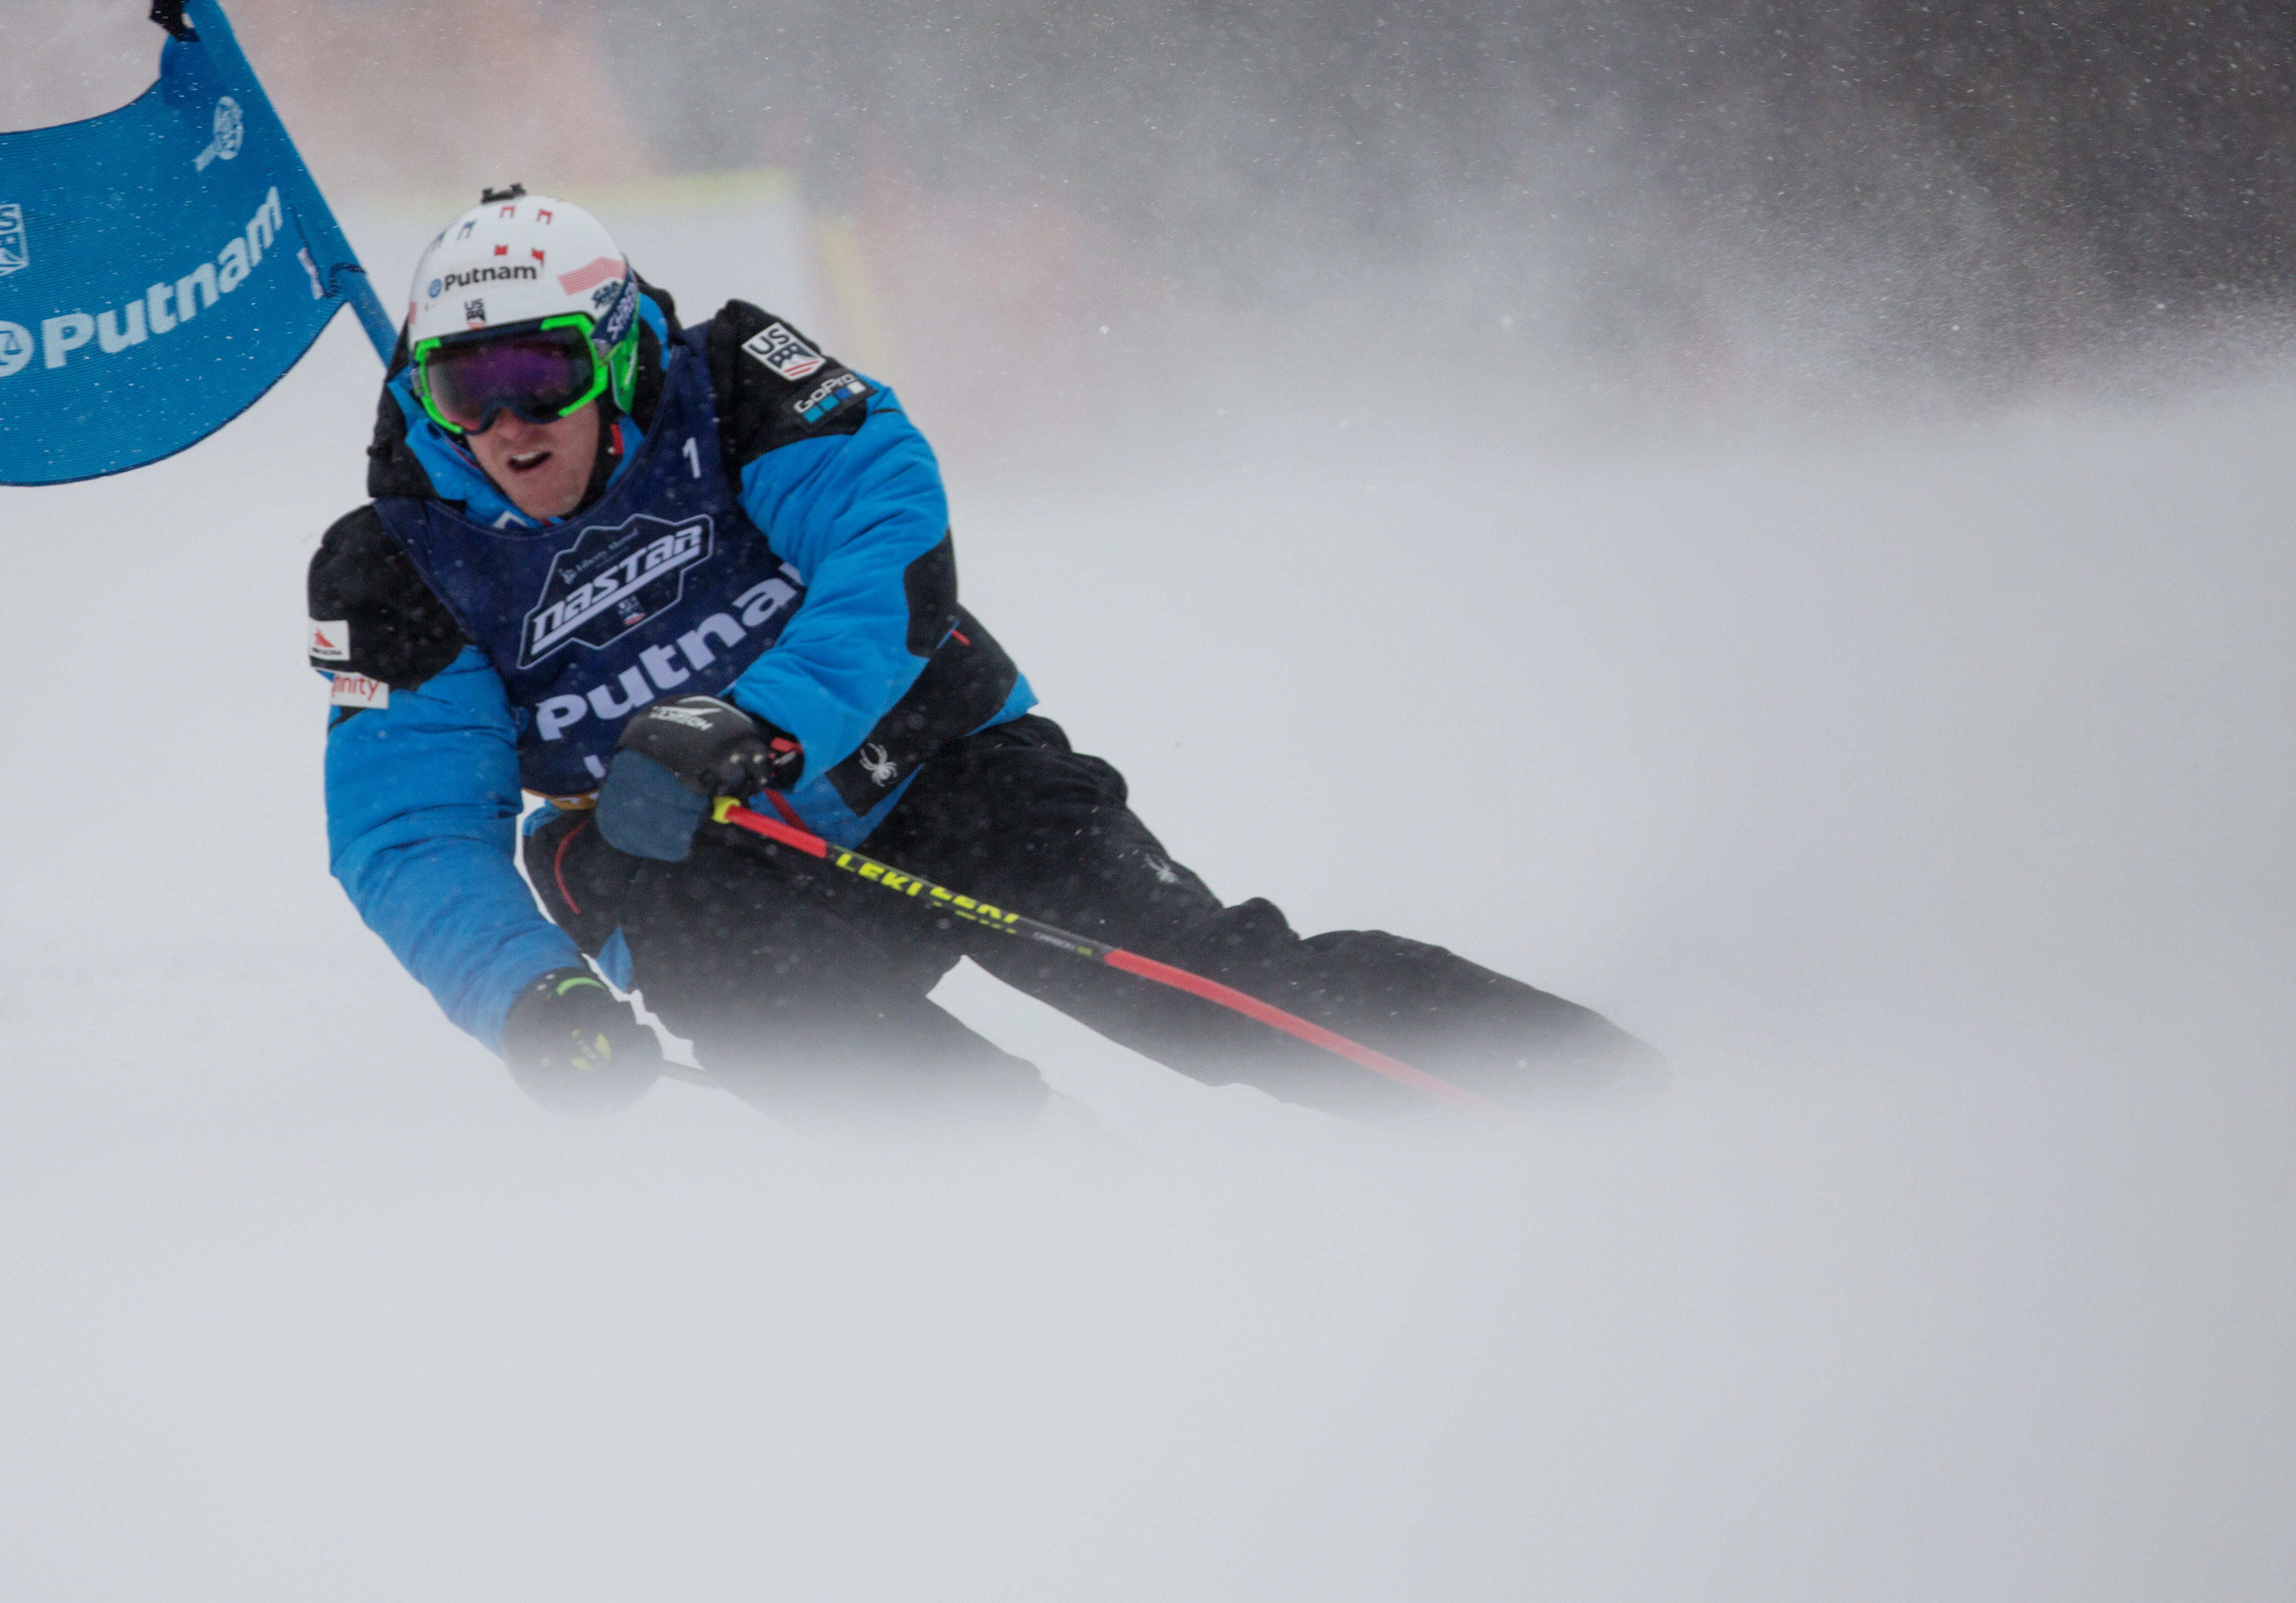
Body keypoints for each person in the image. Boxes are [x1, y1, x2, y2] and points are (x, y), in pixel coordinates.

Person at [310, 186, 1657, 1123]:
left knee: (1211, 994)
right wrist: (530, 1002)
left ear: (613, 357)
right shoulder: (395, 562)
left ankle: (1601, 1101)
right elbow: (411, 833)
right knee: (891, 1102)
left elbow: (886, 534)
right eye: (462, 390)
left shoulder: (735, 376)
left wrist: (759, 722)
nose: (506, 426)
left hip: (936, 770)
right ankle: (1073, 1246)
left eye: (538, 377)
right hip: (718, 878)